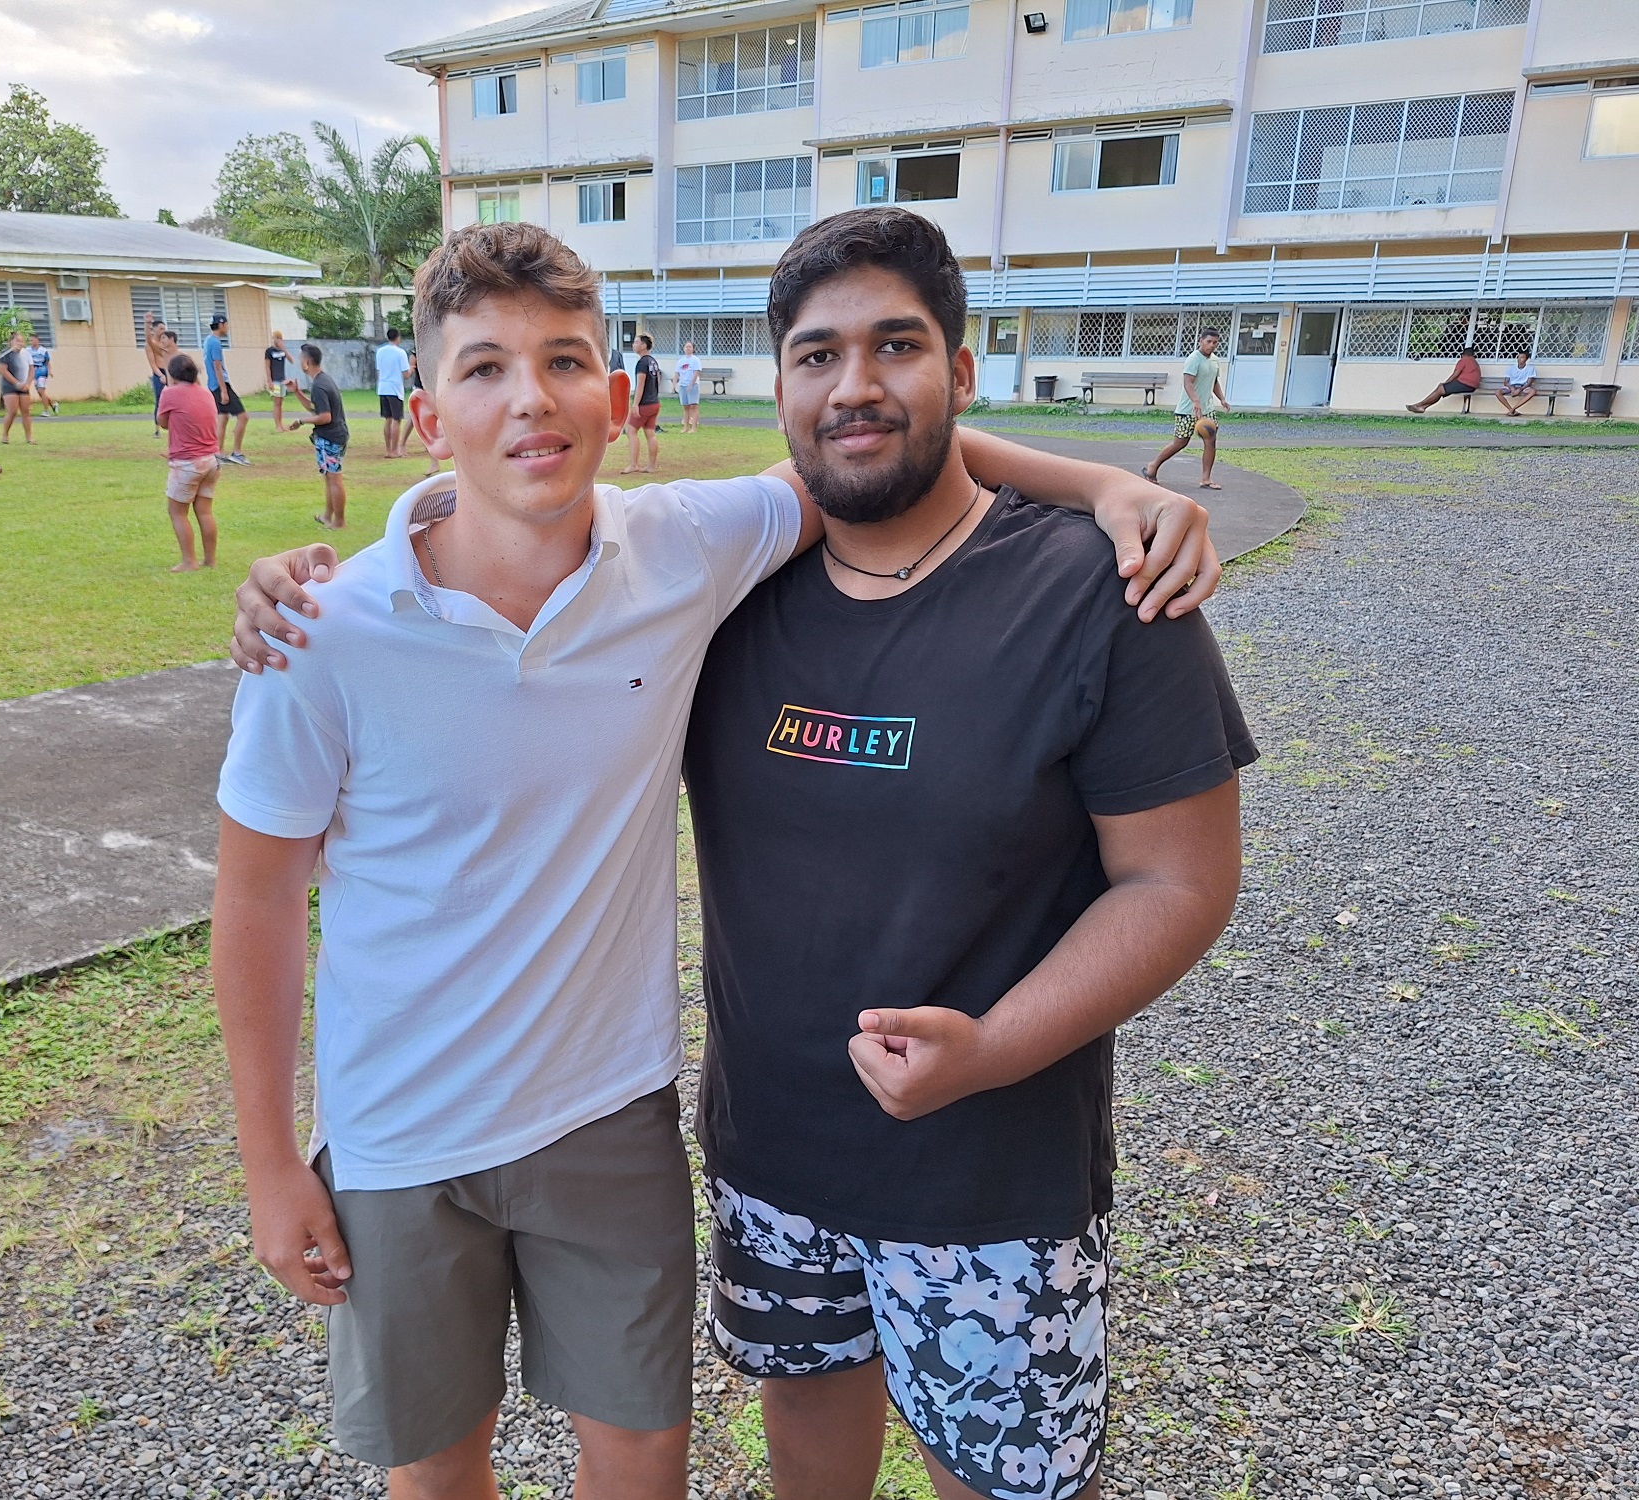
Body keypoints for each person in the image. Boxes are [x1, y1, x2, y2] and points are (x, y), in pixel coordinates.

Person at [212, 220, 1220, 1499]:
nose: (530, 400)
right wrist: (268, 1164)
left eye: (563, 361)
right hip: (464, 1140)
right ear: (425, 413)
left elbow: (873, 447)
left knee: (657, 1456)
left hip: (651, 1121)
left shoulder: (690, 551)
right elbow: (256, 898)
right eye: (483, 370)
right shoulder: (332, 628)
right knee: (453, 1463)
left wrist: (1101, 488)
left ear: (610, 390)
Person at [682, 207, 1253, 1500]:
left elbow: (1178, 881)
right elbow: (526, 548)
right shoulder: (723, 588)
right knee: (804, 1444)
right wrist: (317, 597)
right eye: (817, 355)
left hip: (995, 1179)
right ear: (779, 387)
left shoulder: (1103, 592)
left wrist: (990, 1048)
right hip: (772, 1155)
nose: (855, 385)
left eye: (896, 346)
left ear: (962, 368)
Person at [156, 351, 221, 572]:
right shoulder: (206, 393)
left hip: (187, 463)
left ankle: (189, 561)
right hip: (211, 461)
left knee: (177, 512)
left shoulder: (170, 393)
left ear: (172, 374)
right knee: (204, 511)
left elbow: (163, 422)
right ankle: (210, 560)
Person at [1143, 328, 1230, 491]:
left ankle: (1206, 479)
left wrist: (1222, 399)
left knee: (1210, 441)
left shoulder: (1215, 360)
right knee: (1180, 443)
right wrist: (1195, 401)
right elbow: (1188, 382)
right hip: (1187, 411)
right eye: (1208, 342)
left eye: (1215, 343)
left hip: (1207, 410)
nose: (1212, 345)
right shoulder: (1193, 359)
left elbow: (1214, 382)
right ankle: (1153, 466)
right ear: (1200, 341)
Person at [296, 341, 349, 529]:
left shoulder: (319, 385)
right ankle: (328, 516)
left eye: (301, 359)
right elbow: (316, 408)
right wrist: (296, 392)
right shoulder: (323, 380)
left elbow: (325, 417)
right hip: (334, 435)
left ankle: (339, 521)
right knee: (329, 476)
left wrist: (302, 422)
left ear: (307, 362)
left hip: (330, 437)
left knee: (334, 479)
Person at [206, 315, 249, 465]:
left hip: (213, 385)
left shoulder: (208, 340)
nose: (228, 327)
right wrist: (224, 390)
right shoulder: (215, 343)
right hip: (220, 384)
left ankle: (218, 453)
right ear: (221, 325)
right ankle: (237, 453)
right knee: (243, 417)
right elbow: (217, 367)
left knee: (223, 417)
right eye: (226, 324)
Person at [621, 332, 663, 474]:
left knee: (631, 431)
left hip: (645, 404)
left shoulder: (642, 363)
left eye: (636, 342)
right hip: (654, 402)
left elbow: (640, 385)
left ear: (644, 345)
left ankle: (634, 464)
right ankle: (651, 466)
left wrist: (635, 404)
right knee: (650, 433)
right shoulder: (653, 362)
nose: (634, 345)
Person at [1407, 346, 1482, 414]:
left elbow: (1455, 375)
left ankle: (1419, 405)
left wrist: (1445, 383)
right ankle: (1422, 407)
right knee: (1440, 391)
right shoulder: (1474, 362)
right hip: (1471, 386)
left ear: (1463, 354)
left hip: (1465, 384)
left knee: (1440, 388)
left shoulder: (1464, 360)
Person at [398, 356, 441, 477]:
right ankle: (402, 444)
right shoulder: (416, 353)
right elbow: (411, 368)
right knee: (422, 421)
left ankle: (434, 462)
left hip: (434, 387)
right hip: (423, 388)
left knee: (426, 422)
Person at [374, 326, 410, 457]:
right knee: (396, 419)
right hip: (395, 389)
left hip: (383, 387)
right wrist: (412, 368)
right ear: (398, 337)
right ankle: (395, 450)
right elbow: (405, 374)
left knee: (387, 419)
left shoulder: (380, 351)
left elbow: (379, 370)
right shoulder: (400, 353)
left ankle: (388, 449)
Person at [0, 332, 34, 445]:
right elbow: (3, 371)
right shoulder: (5, 354)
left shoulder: (26, 354)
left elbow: (31, 370)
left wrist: (27, 384)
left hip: (24, 386)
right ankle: (5, 435)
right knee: (12, 411)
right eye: (17, 341)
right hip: (9, 386)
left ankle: (29, 437)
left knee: (26, 411)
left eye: (22, 341)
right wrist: (16, 383)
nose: (20, 343)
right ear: (11, 342)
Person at [145, 312, 175, 435]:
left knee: (173, 399)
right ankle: (157, 428)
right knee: (160, 400)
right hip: (159, 373)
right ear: (154, 329)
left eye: (164, 329)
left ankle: (173, 425)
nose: (163, 331)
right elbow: (153, 364)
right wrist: (161, 375)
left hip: (169, 372)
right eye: (161, 329)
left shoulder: (166, 343)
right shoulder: (151, 345)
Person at [266, 331, 300, 431]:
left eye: (280, 338)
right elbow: (267, 367)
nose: (278, 341)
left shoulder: (282, 351)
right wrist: (269, 381)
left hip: (283, 380)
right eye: (276, 338)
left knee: (281, 403)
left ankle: (281, 424)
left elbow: (291, 360)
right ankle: (277, 426)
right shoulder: (269, 351)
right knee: (276, 402)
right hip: (275, 380)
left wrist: (283, 349)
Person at [1495, 350, 1538, 417]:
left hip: (1523, 387)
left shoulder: (1530, 368)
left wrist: (1520, 389)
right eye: (1518, 357)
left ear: (1526, 359)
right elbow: (1506, 382)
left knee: (1533, 391)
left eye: (1522, 357)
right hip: (1511, 386)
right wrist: (1512, 388)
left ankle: (1513, 409)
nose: (1519, 359)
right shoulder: (1511, 368)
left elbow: (1529, 383)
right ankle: (1511, 410)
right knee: (1497, 392)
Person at [675, 340, 702, 433]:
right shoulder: (680, 361)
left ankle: (694, 428)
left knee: (693, 406)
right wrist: (674, 384)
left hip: (693, 385)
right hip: (683, 385)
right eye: (686, 347)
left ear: (693, 349)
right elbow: (677, 373)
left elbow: (696, 372)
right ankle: (686, 427)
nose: (688, 348)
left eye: (690, 347)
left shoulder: (695, 360)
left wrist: (691, 384)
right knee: (685, 407)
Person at [28, 333, 58, 416]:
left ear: (37, 340)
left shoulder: (43, 350)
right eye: (30, 340)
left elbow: (47, 362)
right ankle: (53, 404)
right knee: (40, 392)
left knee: (41, 390)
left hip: (42, 372)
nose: (31, 342)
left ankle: (46, 411)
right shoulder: (28, 350)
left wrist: (50, 371)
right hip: (33, 372)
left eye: (32, 340)